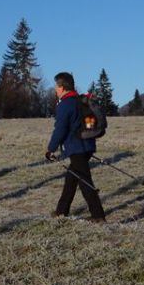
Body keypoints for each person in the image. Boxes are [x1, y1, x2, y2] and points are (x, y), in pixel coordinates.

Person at [46, 72, 106, 222]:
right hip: (88, 144)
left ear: (63, 87)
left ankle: (98, 215)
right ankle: (61, 211)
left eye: (56, 86)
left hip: (76, 148)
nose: (55, 90)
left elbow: (60, 129)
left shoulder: (65, 104)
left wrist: (50, 149)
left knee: (85, 182)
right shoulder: (80, 101)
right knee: (71, 179)